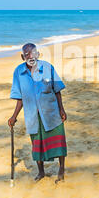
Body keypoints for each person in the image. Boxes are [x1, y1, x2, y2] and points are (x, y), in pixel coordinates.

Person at [8, 43, 67, 183]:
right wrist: (14, 116)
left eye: (33, 53)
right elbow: (20, 98)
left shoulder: (48, 68)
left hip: (51, 113)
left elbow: (57, 90)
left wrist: (61, 109)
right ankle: (41, 172)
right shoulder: (18, 72)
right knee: (37, 144)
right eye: (27, 54)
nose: (30, 56)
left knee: (58, 141)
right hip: (32, 116)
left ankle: (61, 169)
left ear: (38, 54)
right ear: (23, 57)